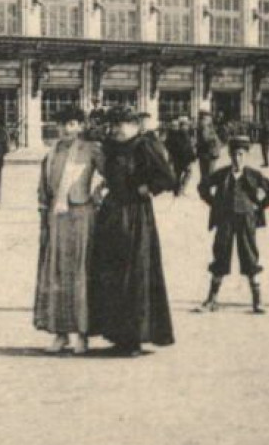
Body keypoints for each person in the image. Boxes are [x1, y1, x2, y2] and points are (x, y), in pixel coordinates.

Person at [88, 105, 177, 356]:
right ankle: (117, 335)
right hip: (112, 212)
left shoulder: (144, 145)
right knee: (111, 271)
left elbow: (168, 177)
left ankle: (135, 337)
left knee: (133, 272)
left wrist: (147, 188)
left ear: (135, 126)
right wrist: (103, 185)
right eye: (113, 125)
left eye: (121, 125)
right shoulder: (112, 146)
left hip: (135, 216)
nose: (115, 129)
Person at [34, 107, 103, 354]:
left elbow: (110, 176)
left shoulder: (92, 150)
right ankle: (60, 333)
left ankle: (83, 334)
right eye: (62, 124)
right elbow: (43, 188)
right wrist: (44, 216)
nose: (65, 129)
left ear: (81, 126)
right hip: (57, 218)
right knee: (57, 273)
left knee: (80, 272)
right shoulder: (51, 153)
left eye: (71, 124)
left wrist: (97, 193)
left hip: (82, 215)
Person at [197, 134, 269, 314]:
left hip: (245, 220)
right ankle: (211, 300)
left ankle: (257, 301)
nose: (237, 158)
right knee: (220, 254)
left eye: (241, 154)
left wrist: (259, 206)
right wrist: (214, 202)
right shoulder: (222, 174)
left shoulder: (253, 175)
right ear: (229, 155)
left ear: (246, 155)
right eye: (234, 154)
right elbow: (202, 187)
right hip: (225, 219)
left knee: (250, 256)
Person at [193, 108, 221, 194]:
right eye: (209, 117)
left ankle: (205, 190)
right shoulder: (204, 126)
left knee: (206, 174)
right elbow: (205, 139)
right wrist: (215, 139)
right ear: (205, 118)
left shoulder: (205, 126)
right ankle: (206, 191)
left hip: (207, 153)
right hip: (208, 154)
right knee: (208, 174)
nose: (210, 118)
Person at [163, 118, 195, 195]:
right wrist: (192, 157)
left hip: (177, 158)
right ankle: (181, 189)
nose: (187, 127)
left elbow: (168, 145)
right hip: (184, 159)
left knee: (178, 174)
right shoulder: (184, 134)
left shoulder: (175, 134)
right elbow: (187, 148)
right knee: (188, 172)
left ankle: (176, 190)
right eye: (186, 125)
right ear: (183, 125)